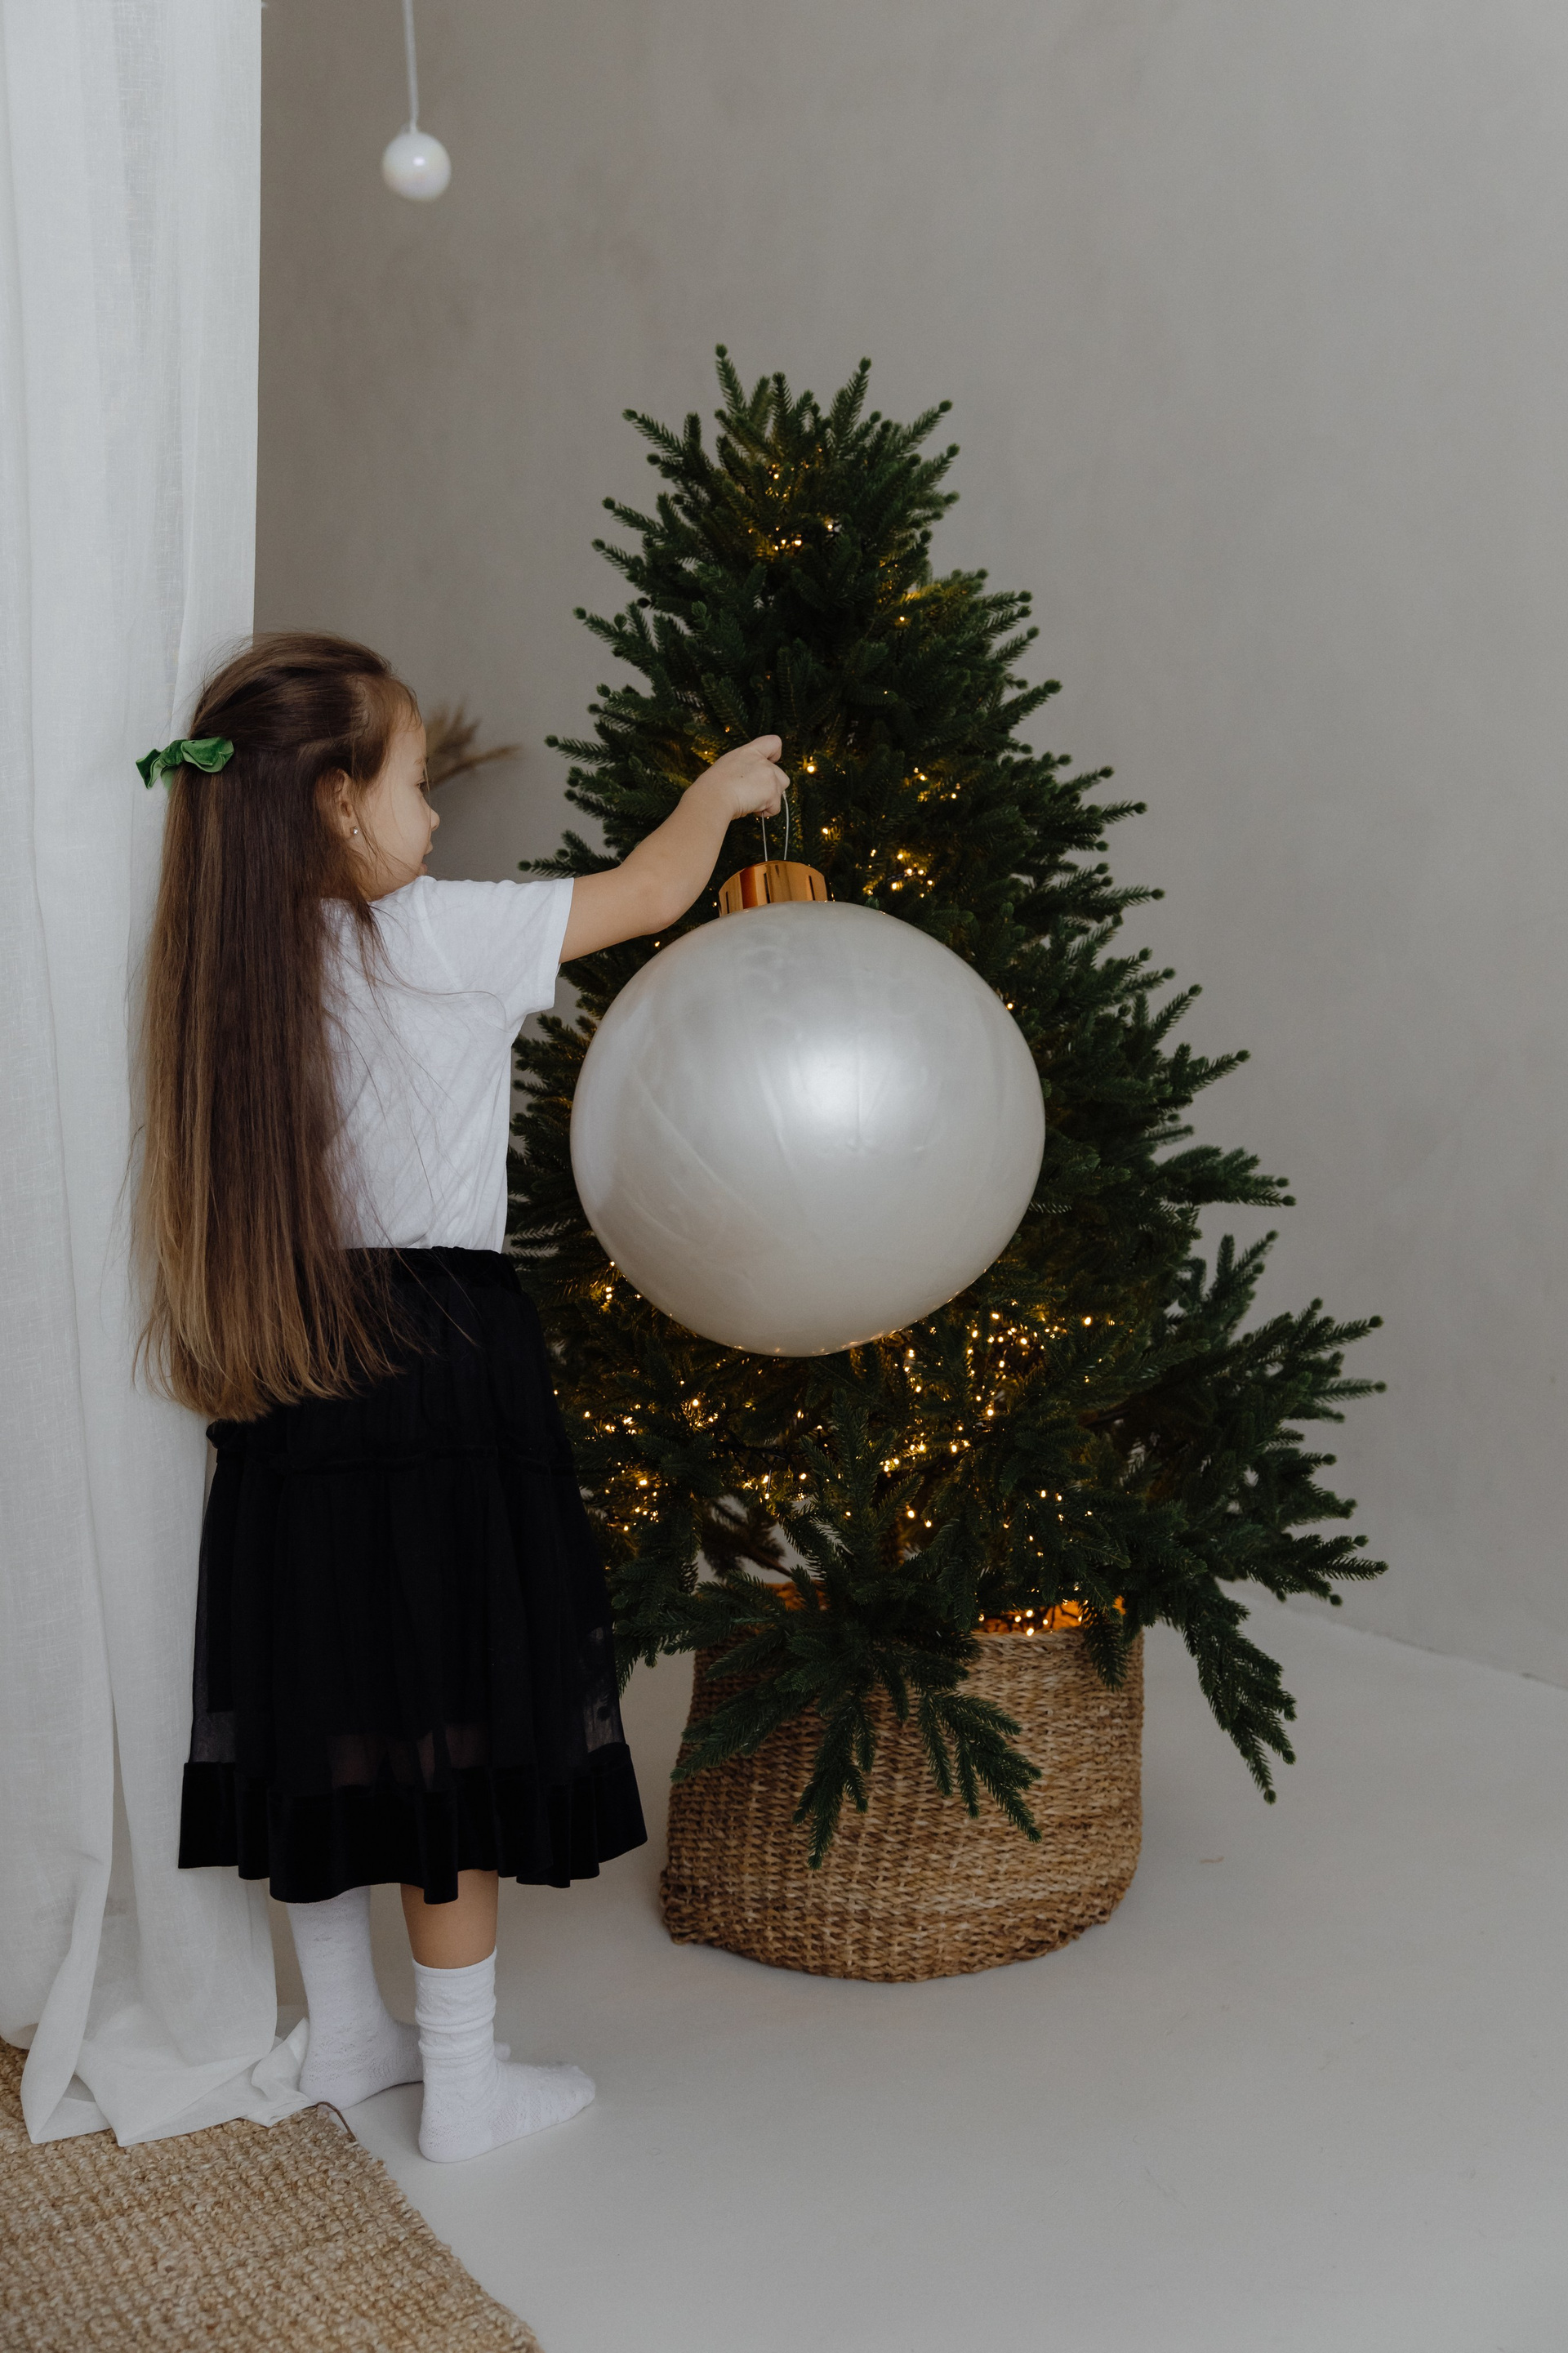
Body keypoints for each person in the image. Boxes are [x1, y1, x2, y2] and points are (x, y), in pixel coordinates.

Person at [134, 632, 786, 2162]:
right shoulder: (434, 932)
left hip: (293, 1359)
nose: (435, 816)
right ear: (336, 802)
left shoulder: (223, 975)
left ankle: (348, 2038)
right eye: (416, 784)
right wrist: (717, 796)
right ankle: (466, 2081)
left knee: (325, 1704)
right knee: (448, 1723)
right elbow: (649, 893)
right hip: (439, 1360)